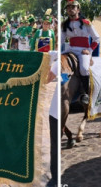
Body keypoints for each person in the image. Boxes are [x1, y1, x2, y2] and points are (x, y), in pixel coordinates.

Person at [61, 0, 100, 104]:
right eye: (68, 7)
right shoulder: (64, 25)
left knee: (83, 68)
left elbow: (96, 38)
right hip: (70, 48)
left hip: (84, 51)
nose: (70, 9)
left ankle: (85, 94)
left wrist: (89, 50)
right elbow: (61, 40)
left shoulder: (86, 23)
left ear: (78, 9)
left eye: (73, 7)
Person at [46, 53, 58, 187]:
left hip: (79, 51)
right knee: (54, 145)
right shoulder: (57, 59)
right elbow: (46, 79)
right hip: (55, 112)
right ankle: (54, 177)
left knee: (83, 67)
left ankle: (84, 93)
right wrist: (48, 60)